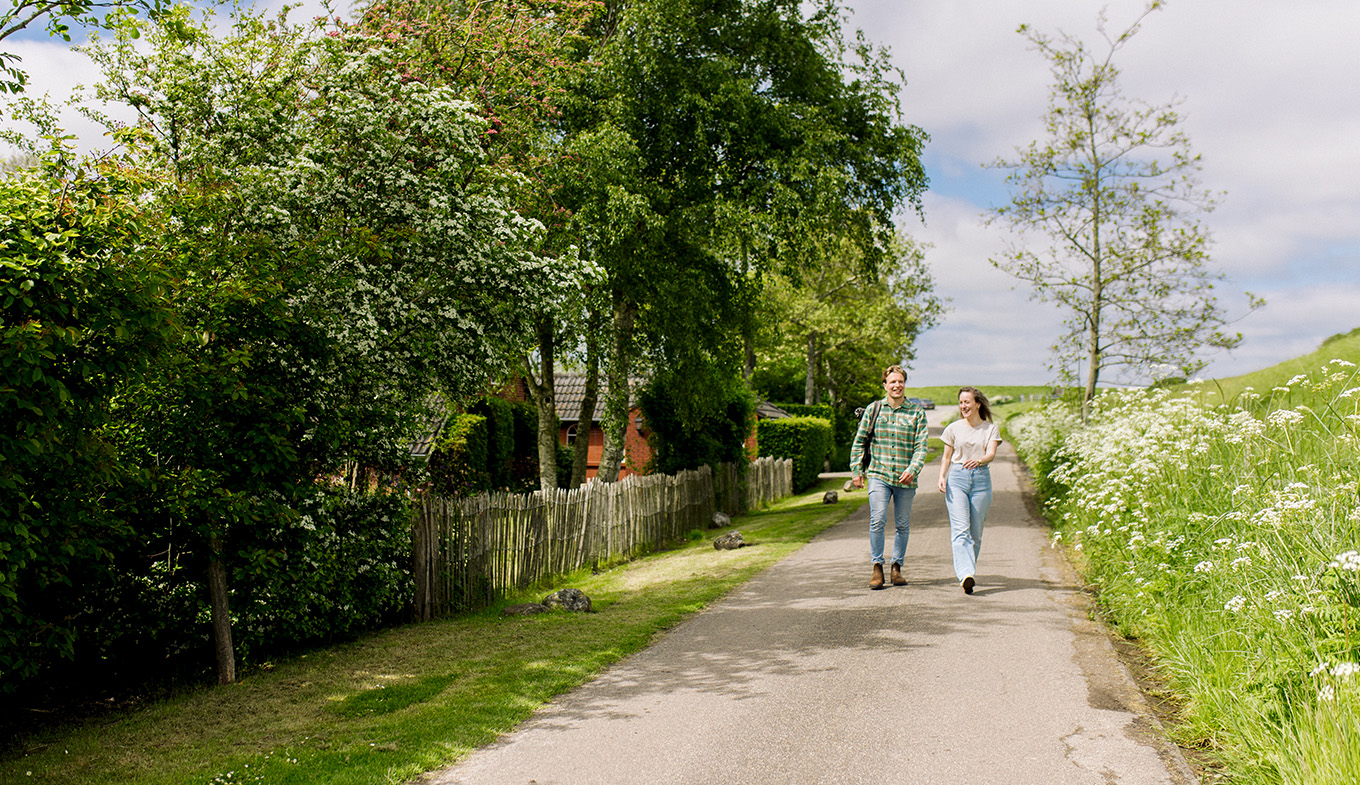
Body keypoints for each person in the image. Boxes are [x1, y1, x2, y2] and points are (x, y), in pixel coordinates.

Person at [849, 365, 929, 590]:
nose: (897, 385)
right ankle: (877, 567)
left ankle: (896, 568)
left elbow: (921, 446)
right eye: (892, 382)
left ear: (905, 384)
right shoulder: (874, 409)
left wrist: (913, 469)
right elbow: (860, 441)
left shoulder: (916, 412)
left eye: (900, 381)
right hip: (878, 474)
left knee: (902, 524)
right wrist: (856, 471)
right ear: (885, 385)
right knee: (878, 519)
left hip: (906, 478)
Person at [936, 386, 1002, 595]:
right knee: (961, 530)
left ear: (977, 404)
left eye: (967, 402)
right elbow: (946, 457)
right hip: (957, 478)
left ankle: (968, 572)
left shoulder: (990, 429)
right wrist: (941, 477)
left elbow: (991, 453)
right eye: (961, 402)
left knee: (976, 533)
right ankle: (966, 574)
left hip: (982, 479)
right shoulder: (953, 428)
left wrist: (979, 460)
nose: (963, 406)